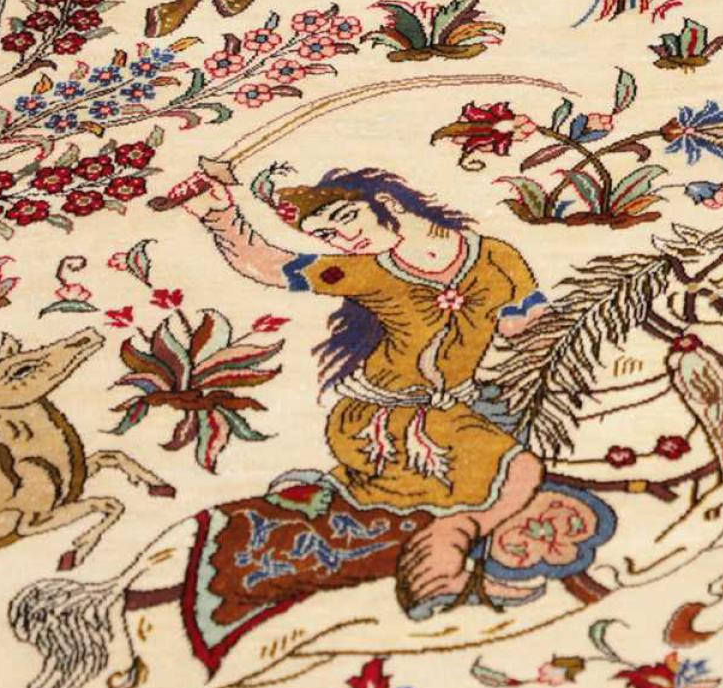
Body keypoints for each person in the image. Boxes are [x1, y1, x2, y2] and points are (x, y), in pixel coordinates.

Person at [171, 165, 550, 616]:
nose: (343, 240)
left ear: (386, 203)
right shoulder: (368, 272)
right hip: (383, 418)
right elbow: (271, 265)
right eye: (327, 235)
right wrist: (220, 215)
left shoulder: (496, 257)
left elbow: (524, 327)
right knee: (519, 471)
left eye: (346, 219)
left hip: (454, 404)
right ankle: (444, 564)